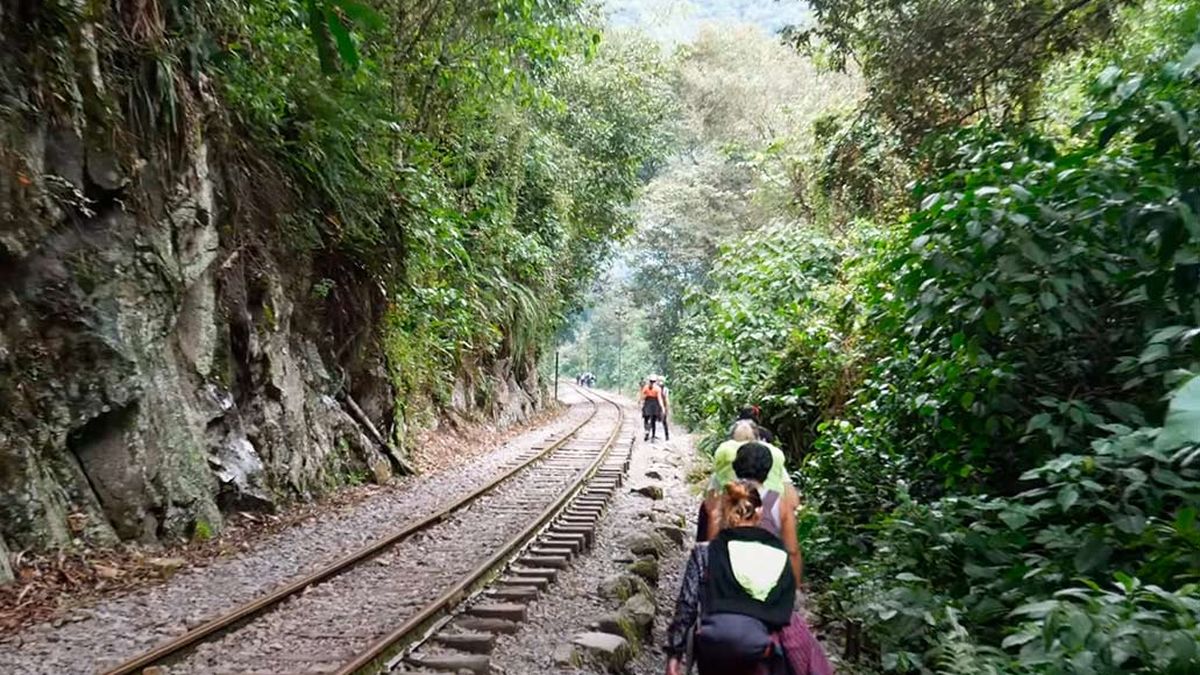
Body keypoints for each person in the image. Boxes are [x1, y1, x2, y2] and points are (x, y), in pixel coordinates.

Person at [666, 480, 796, 675]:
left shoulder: (704, 552)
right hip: (757, 647)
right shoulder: (777, 554)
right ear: (759, 513)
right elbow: (786, 611)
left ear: (725, 513)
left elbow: (687, 605)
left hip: (712, 644)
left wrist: (674, 656)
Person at [640, 375, 665, 442]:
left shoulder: (655, 388)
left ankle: (650, 433)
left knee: (650, 419)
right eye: (651, 381)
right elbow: (642, 396)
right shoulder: (653, 388)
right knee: (649, 419)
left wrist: (662, 407)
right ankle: (649, 433)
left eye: (652, 381)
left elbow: (659, 398)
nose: (652, 382)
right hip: (651, 403)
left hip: (651, 403)